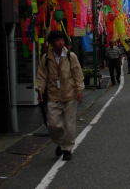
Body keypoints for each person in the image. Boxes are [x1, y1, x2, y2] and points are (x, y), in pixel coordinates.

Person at [36, 31, 85, 161]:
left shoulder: (70, 56)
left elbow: (77, 73)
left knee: (69, 124)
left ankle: (67, 149)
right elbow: (41, 76)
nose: (60, 42)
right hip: (53, 96)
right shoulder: (46, 58)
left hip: (70, 95)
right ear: (52, 43)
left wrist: (79, 90)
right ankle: (60, 142)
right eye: (57, 40)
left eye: (62, 40)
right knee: (53, 124)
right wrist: (40, 90)